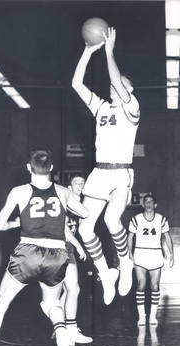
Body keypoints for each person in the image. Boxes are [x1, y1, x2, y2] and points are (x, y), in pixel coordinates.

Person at [0, 149, 89, 346]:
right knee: (52, 303)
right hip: (56, 254)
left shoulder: (19, 191)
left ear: (29, 168)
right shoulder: (63, 192)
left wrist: (15, 223)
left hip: (27, 251)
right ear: (52, 169)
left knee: (1, 302)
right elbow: (84, 212)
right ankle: (63, 341)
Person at [72, 27, 140, 305]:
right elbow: (76, 84)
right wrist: (88, 52)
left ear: (129, 89)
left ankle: (125, 263)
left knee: (112, 220)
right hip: (99, 172)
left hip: (120, 173)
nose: (115, 85)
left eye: (121, 83)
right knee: (85, 230)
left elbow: (116, 78)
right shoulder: (101, 107)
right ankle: (105, 272)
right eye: (114, 84)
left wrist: (109, 51)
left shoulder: (132, 106)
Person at [127, 193, 174, 325]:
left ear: (155, 205)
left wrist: (172, 254)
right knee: (141, 285)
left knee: (154, 286)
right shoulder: (136, 219)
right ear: (143, 204)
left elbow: (167, 237)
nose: (148, 204)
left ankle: (152, 316)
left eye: (151, 201)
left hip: (155, 254)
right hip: (140, 253)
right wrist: (130, 253)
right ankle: (142, 316)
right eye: (146, 201)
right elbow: (130, 237)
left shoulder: (161, 219)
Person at [61, 175, 93, 346]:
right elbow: (63, 227)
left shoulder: (82, 205)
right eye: (76, 182)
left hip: (69, 247)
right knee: (72, 289)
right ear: (69, 186)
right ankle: (68, 329)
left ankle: (61, 329)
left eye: (83, 182)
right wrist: (79, 246)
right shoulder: (66, 200)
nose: (80, 185)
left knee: (68, 290)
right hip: (62, 245)